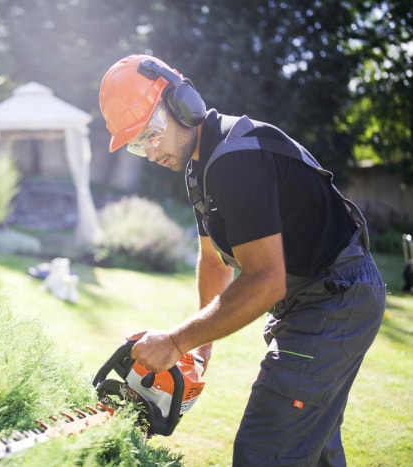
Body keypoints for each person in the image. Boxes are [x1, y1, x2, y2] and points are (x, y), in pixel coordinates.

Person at [98, 54, 386, 466]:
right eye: (137, 145)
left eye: (152, 133)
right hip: (315, 299)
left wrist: (177, 341)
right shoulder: (201, 167)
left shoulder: (237, 159)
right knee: (312, 445)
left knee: (264, 450)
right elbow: (214, 262)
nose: (151, 150)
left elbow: (265, 281)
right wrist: (200, 349)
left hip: (336, 297)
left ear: (184, 103)